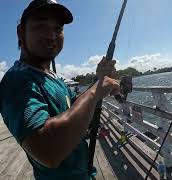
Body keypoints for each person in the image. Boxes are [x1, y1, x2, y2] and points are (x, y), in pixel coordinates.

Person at [0, 0, 119, 179]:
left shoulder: (55, 77)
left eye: (58, 29)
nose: (51, 35)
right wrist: (95, 91)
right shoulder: (17, 79)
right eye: (41, 25)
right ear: (20, 31)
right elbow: (48, 151)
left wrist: (98, 79)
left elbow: (76, 106)